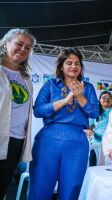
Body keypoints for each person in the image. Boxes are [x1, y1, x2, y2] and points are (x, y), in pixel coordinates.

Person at [28, 48, 99, 200]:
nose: (74, 66)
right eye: (69, 63)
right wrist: (65, 101)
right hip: (48, 139)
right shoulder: (50, 85)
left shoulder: (88, 88)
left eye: (77, 63)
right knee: (40, 187)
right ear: (61, 66)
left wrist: (80, 97)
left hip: (77, 141)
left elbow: (94, 113)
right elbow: (38, 110)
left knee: (71, 190)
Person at [0, 28, 36, 199]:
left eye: (27, 47)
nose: (23, 49)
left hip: (15, 142)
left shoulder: (27, 79)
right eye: (19, 44)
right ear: (6, 43)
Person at [88, 91, 112, 166]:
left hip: (109, 145)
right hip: (95, 144)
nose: (106, 99)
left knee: (106, 169)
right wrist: (89, 132)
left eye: (109, 98)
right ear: (99, 100)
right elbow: (90, 127)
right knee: (93, 167)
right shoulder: (95, 112)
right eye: (104, 97)